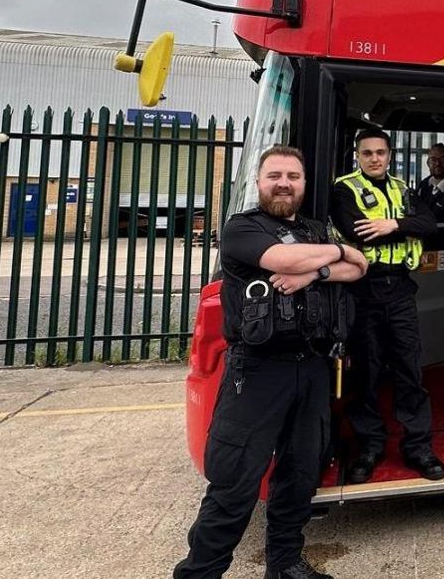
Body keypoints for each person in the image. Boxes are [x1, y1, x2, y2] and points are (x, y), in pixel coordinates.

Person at [174, 145, 367, 579]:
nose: (284, 183)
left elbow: (361, 267)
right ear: (259, 182)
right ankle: (199, 572)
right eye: (275, 175)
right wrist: (335, 254)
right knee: (235, 481)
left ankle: (284, 565)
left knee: (301, 474)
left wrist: (313, 272)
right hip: (257, 371)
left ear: (303, 184)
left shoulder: (316, 229)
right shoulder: (242, 228)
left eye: (293, 177)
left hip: (312, 367)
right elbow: (286, 259)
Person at [331, 128, 444, 483]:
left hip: (399, 290)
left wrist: (392, 224)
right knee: (365, 372)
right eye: (367, 153)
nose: (375, 159)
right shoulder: (343, 189)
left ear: (390, 154)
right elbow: (356, 230)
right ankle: (369, 445)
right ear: (357, 156)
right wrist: (403, 228)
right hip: (362, 291)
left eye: (380, 152)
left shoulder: (402, 189)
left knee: (409, 369)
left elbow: (430, 224)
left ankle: (418, 446)